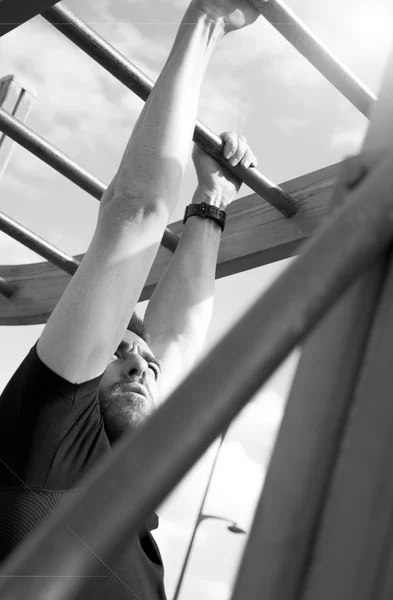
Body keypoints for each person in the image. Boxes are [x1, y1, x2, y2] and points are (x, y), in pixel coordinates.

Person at [0, 1, 260, 598]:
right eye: (122, 350)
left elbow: (174, 338)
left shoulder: (120, 507)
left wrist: (212, 198)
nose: (143, 362)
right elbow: (136, 213)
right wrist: (208, 21)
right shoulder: (48, 442)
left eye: (139, 358)